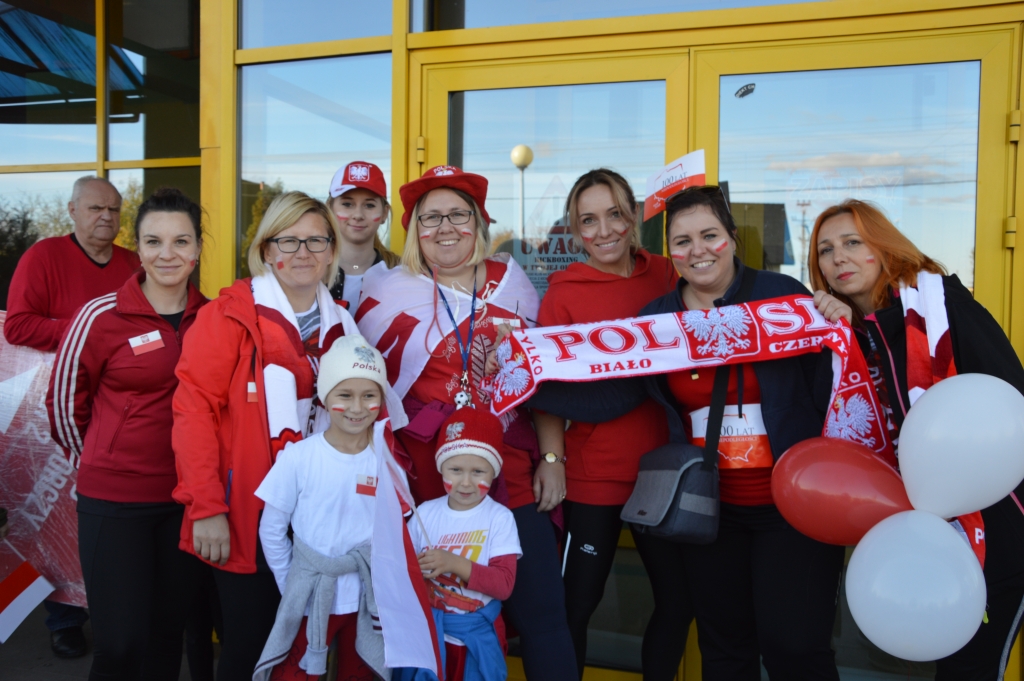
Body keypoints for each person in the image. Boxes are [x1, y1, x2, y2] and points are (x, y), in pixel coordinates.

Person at [533, 185, 845, 680]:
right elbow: (615, 397)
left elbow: (835, 393)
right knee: (724, 648)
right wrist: (525, 379)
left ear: (732, 238)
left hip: (791, 505)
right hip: (711, 512)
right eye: (682, 241)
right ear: (670, 252)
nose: (698, 250)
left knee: (795, 647)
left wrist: (845, 327)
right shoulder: (657, 319)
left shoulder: (782, 296)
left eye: (709, 235)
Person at [356, 165, 577, 680]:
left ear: (478, 223)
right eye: (431, 217)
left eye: (458, 214)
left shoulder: (512, 283)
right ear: (414, 229)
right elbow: (365, 391)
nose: (445, 227)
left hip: (511, 472)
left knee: (542, 613)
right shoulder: (384, 291)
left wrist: (552, 457)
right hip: (428, 481)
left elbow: (542, 382)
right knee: (432, 616)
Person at [810, 199, 1024, 681]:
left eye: (852, 243)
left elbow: (1010, 402)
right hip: (919, 535)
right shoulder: (843, 336)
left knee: (972, 668)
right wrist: (841, 333)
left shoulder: (944, 308)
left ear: (883, 248)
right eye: (825, 250)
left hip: (996, 527)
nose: (838, 258)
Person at [172, 191, 381, 681]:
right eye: (289, 241)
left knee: (301, 651)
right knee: (250, 647)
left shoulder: (344, 326)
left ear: (331, 251)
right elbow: (193, 412)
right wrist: (205, 506)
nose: (302, 252)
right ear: (266, 250)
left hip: (317, 513)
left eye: (316, 241)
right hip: (245, 511)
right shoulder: (229, 315)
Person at [46, 188, 207, 680]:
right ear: (137, 248)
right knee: (120, 643)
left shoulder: (214, 318)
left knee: (165, 637)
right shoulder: (101, 316)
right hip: (115, 502)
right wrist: (104, 460)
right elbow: (63, 407)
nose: (167, 254)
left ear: (199, 248)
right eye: (154, 241)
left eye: (181, 241)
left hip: (185, 502)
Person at [531, 168, 683, 680]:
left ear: (633, 215)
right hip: (594, 475)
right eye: (588, 220)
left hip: (665, 473)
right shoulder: (563, 293)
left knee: (678, 601)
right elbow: (546, 390)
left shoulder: (668, 274)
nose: (604, 231)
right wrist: (552, 459)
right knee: (577, 603)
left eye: (614, 214)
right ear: (575, 230)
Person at [4, 175, 140, 659]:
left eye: (113, 209)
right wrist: (86, 331)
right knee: (54, 514)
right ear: (72, 210)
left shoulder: (132, 263)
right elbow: (18, 325)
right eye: (95, 208)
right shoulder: (43, 256)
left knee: (106, 514)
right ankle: (63, 619)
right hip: (56, 406)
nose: (105, 216)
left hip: (120, 406)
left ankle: (113, 611)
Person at [252, 335, 392, 681]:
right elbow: (271, 529)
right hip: (309, 596)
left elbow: (396, 530)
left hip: (365, 601)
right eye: (345, 395)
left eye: (369, 395)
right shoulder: (299, 457)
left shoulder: (387, 461)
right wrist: (292, 583)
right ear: (325, 398)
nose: (357, 407)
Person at [397, 406, 522, 681]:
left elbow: (504, 585)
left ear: (494, 473)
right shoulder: (425, 512)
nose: (466, 482)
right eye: (455, 470)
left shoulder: (499, 518)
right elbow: (401, 573)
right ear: (441, 468)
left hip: (474, 642)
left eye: (478, 471)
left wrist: (453, 563)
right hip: (428, 637)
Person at [326, 161, 400, 309]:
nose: (358, 215)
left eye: (369, 205)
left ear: (384, 213)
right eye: (347, 204)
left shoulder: (401, 273)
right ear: (330, 209)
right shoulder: (310, 268)